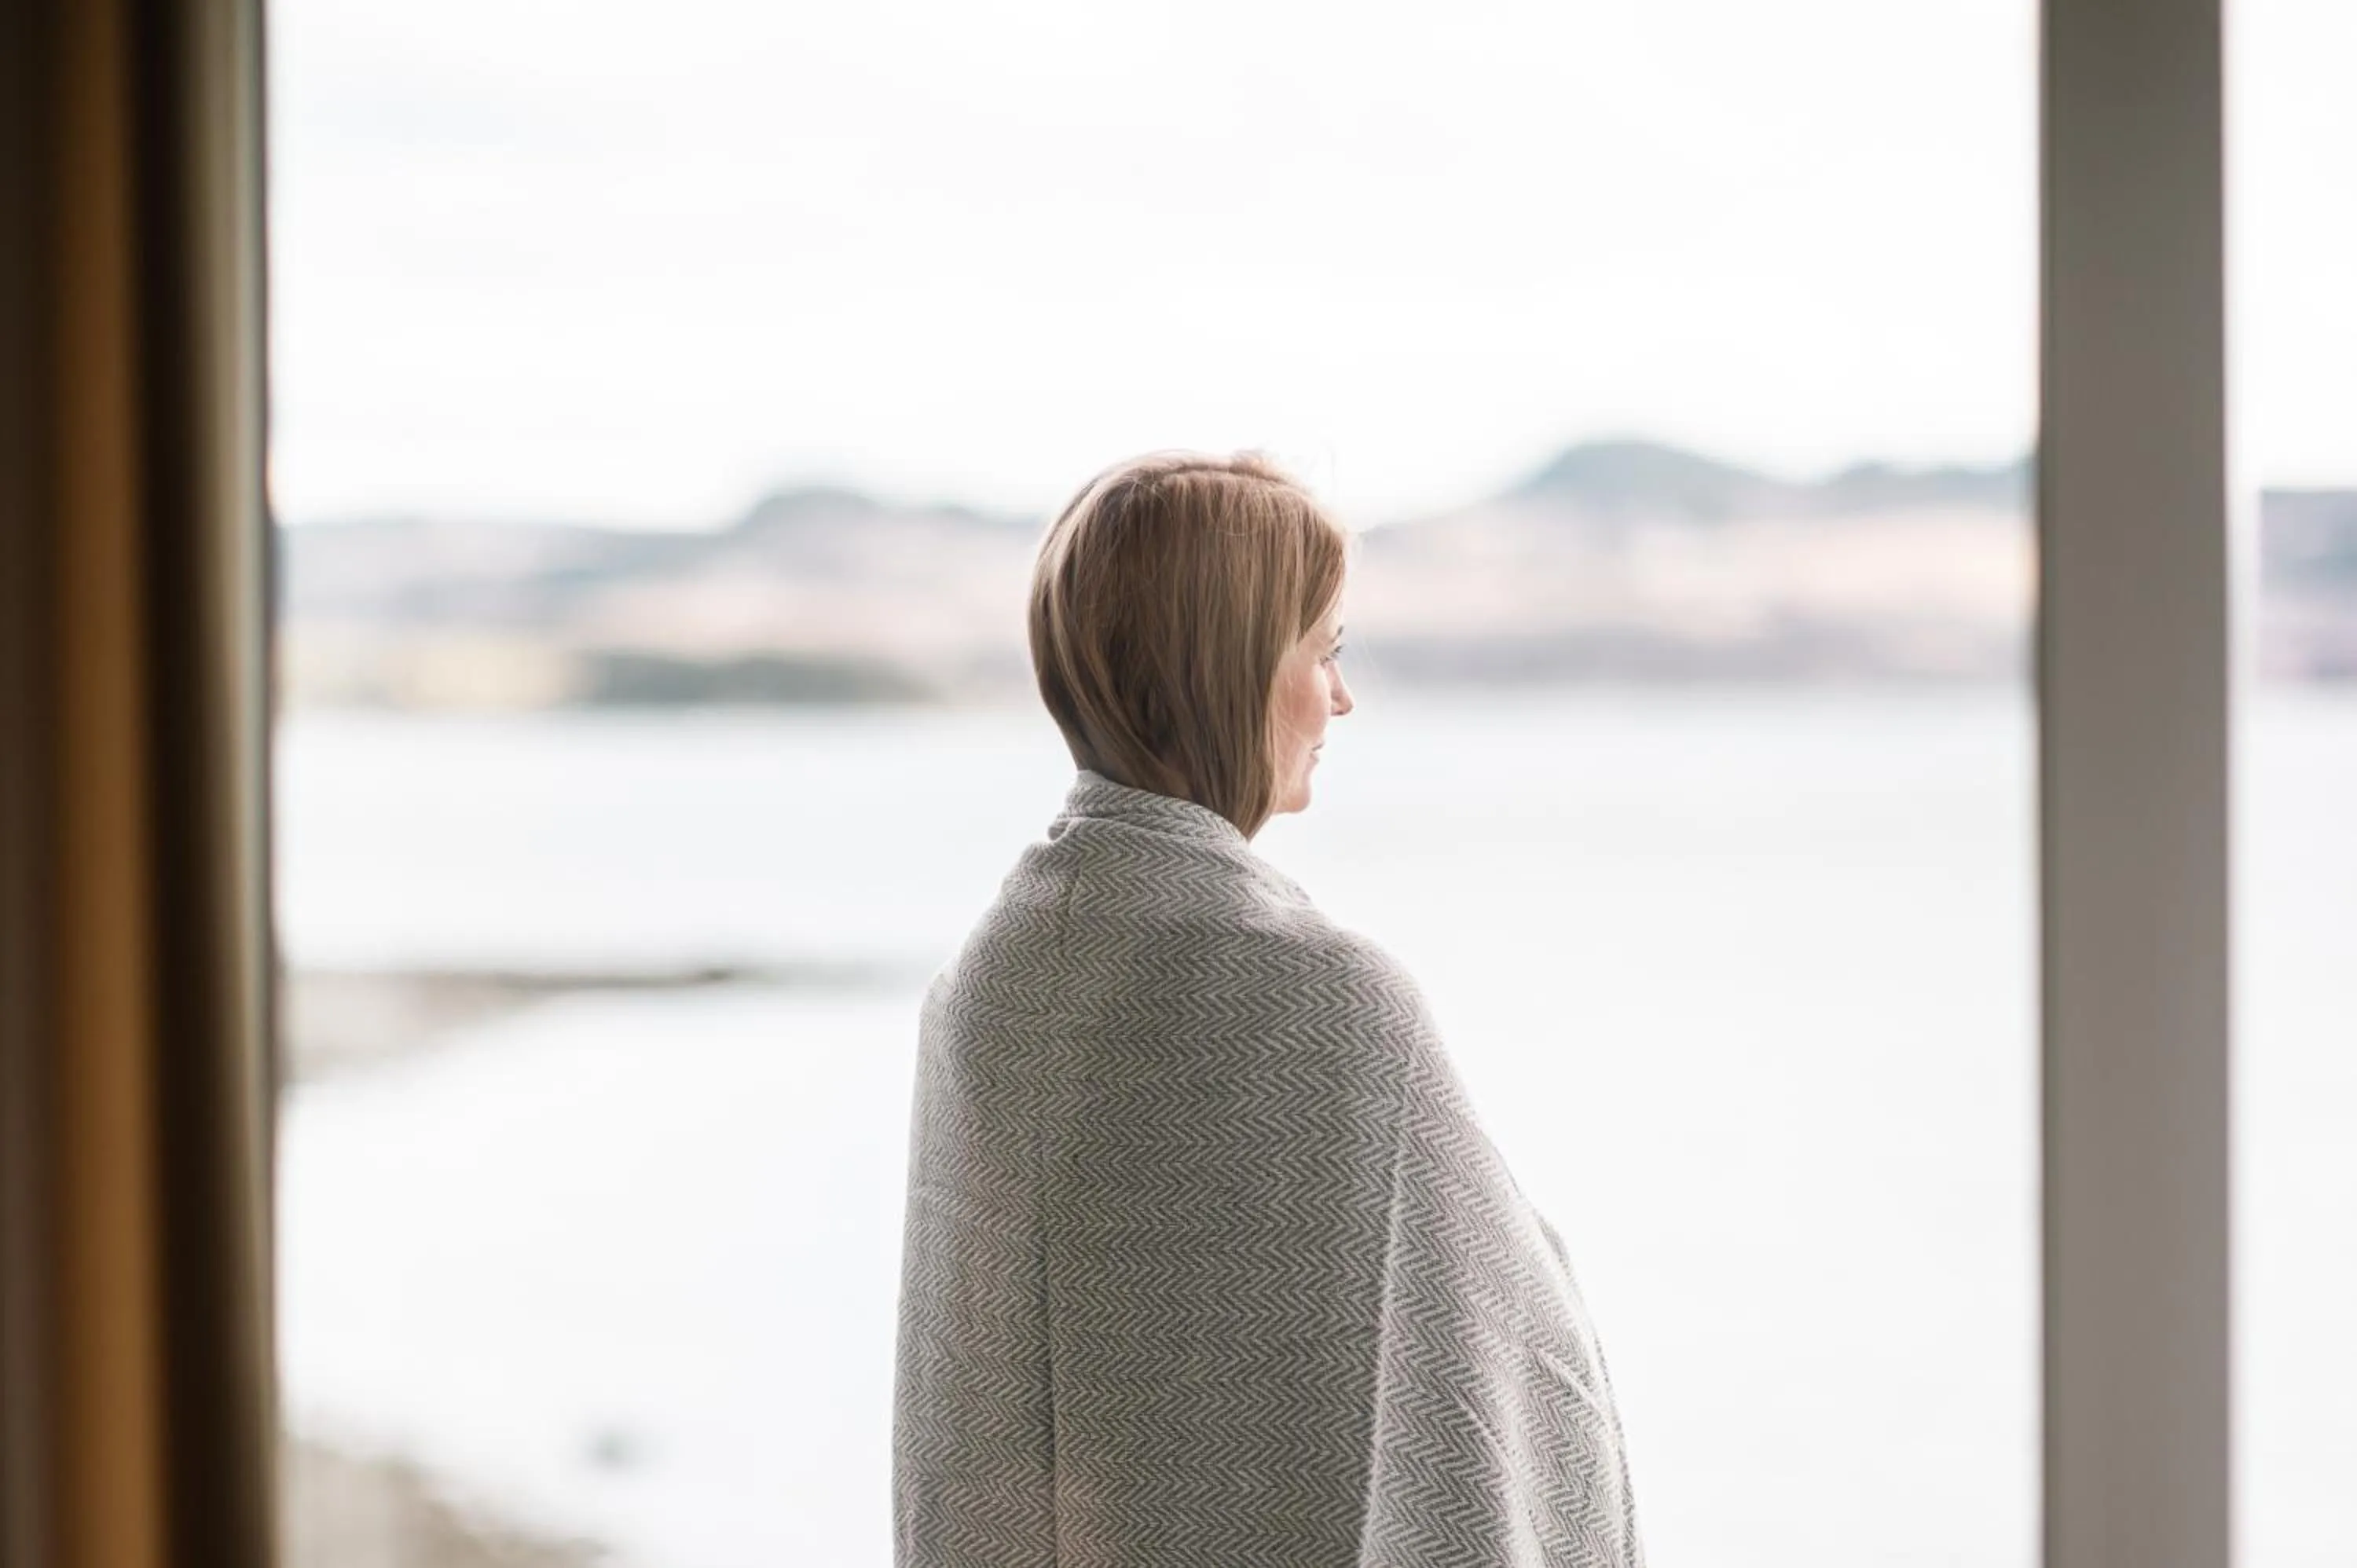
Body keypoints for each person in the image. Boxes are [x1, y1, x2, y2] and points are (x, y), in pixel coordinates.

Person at [891, 451, 1645, 1566]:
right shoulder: (1329, 1001)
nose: (1342, 696)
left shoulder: (985, 984)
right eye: (1322, 652)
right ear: (1230, 666)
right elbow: (1500, 1374)